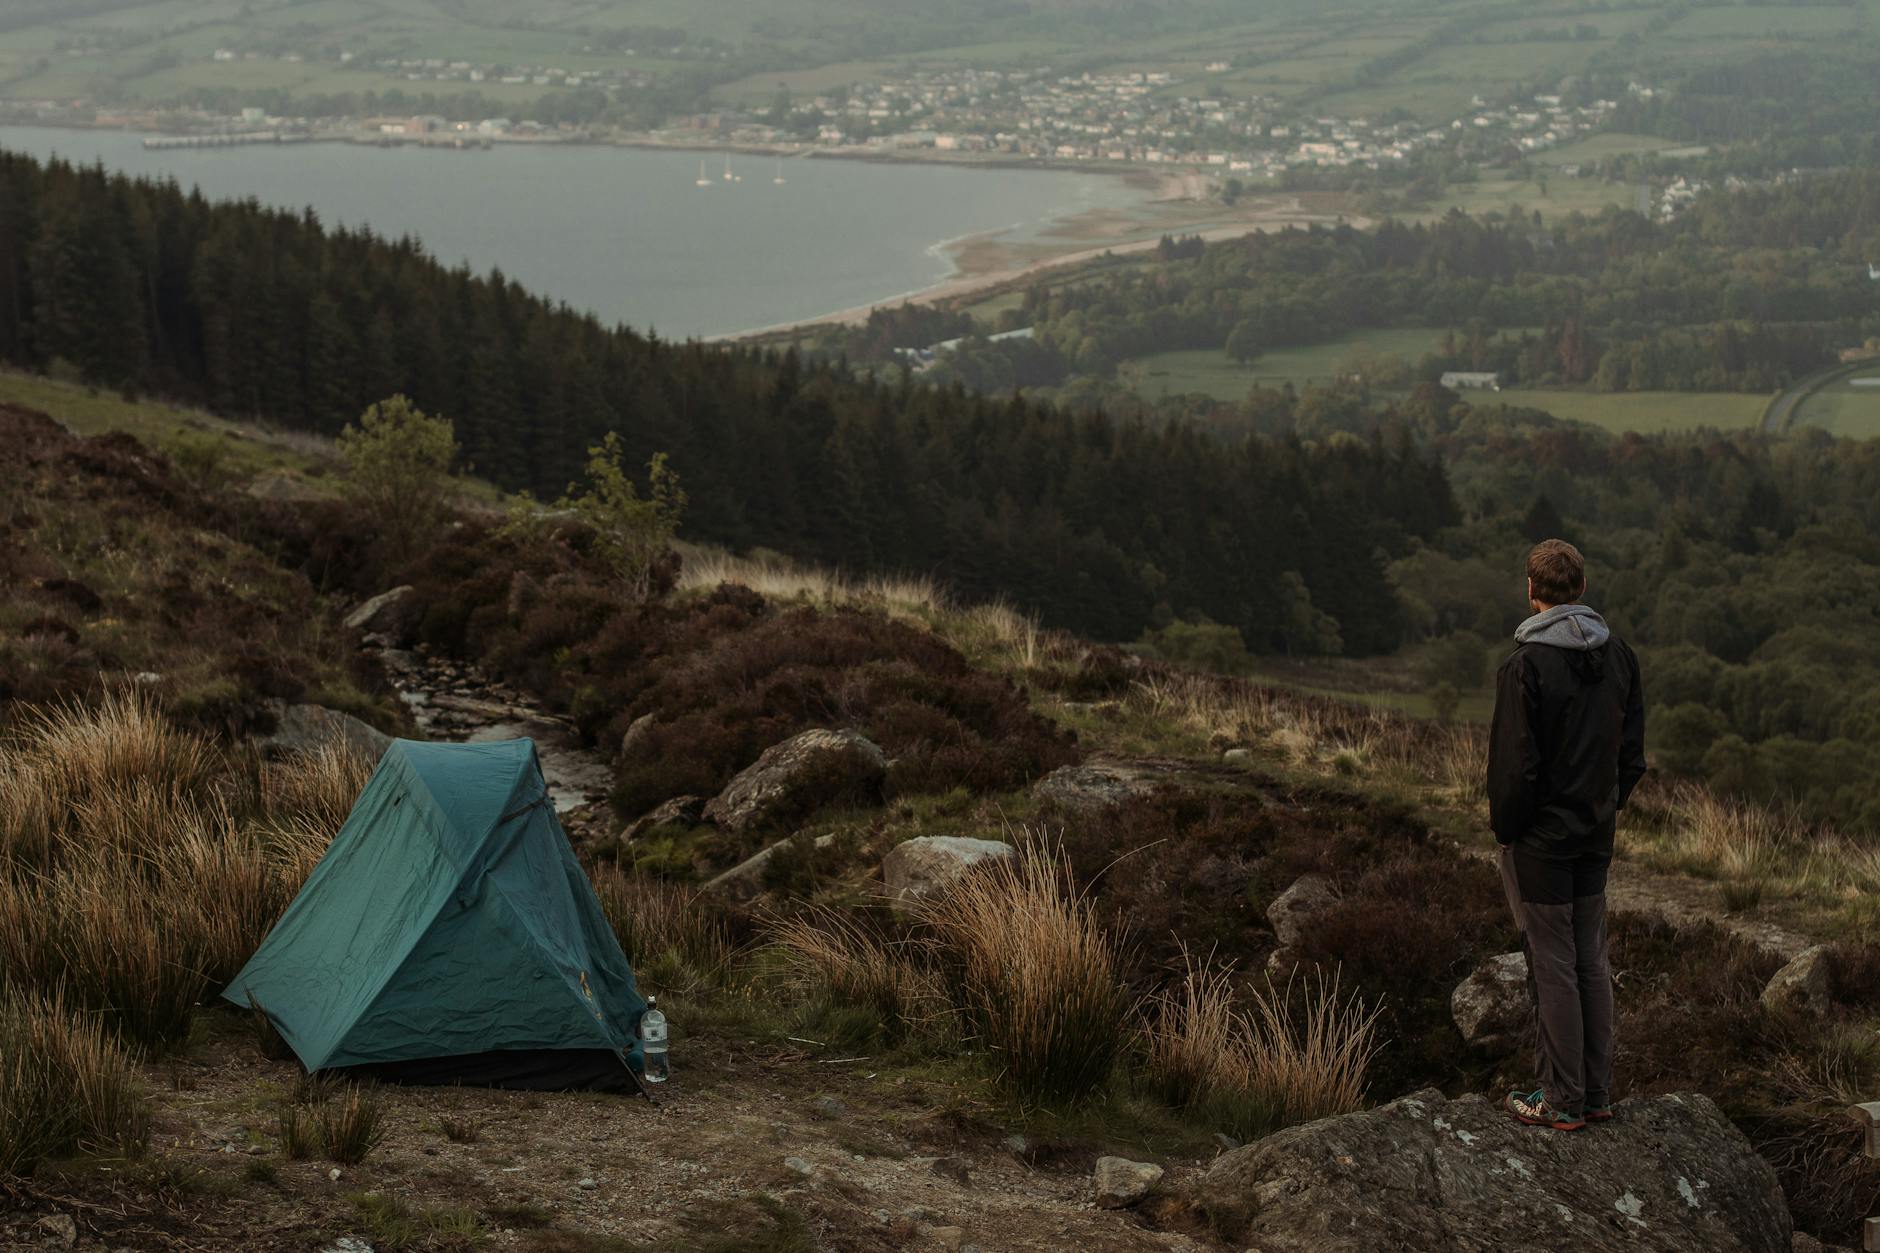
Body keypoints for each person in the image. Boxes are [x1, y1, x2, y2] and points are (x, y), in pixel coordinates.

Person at [1487, 539, 1646, 1131]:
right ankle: (1597, 1094)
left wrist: (1510, 832)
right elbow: (1632, 756)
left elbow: (1514, 769)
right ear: (1581, 590)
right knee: (1590, 961)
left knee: (1552, 964)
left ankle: (1560, 1100)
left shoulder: (1524, 666)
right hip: (1594, 835)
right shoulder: (1621, 655)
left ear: (1533, 594)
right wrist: (1604, 809)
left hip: (1541, 843)